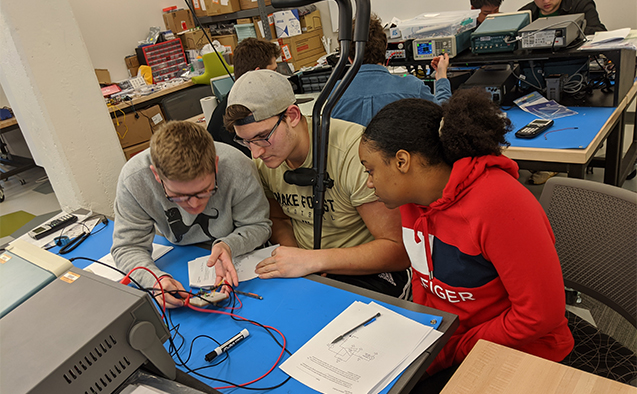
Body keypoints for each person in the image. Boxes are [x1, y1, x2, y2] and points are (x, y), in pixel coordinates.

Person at [358, 91, 574, 378]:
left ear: (402, 161)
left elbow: (539, 316)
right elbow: (426, 283)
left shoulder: (500, 204)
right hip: (452, 341)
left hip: (519, 351)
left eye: (370, 170)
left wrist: (452, 350)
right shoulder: (412, 203)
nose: (369, 183)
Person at [224, 69, 412, 299]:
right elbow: (279, 218)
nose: (256, 153)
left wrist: (313, 261)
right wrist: (294, 255)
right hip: (306, 266)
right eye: (246, 141)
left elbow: (398, 250)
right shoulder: (266, 161)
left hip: (368, 272)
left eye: (263, 136)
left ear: (292, 116)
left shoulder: (353, 153)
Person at [112, 121, 271, 308]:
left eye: (204, 192)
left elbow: (259, 225)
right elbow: (127, 247)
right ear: (157, 175)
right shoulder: (134, 179)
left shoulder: (238, 168)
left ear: (215, 165)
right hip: (179, 258)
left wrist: (229, 245)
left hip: (242, 259)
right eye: (179, 196)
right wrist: (155, 280)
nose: (195, 205)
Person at [331, 14, 451, 127]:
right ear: (385, 46)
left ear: (348, 57)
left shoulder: (334, 93)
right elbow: (444, 114)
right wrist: (442, 78)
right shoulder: (413, 88)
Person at [207, 37, 281, 157]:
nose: (277, 77)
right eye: (273, 71)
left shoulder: (243, 101)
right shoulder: (236, 117)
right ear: (258, 74)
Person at [519, 0, 607, 35]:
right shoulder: (523, 14)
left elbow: (599, 32)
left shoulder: (580, 5)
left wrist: (569, 33)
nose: (546, 1)